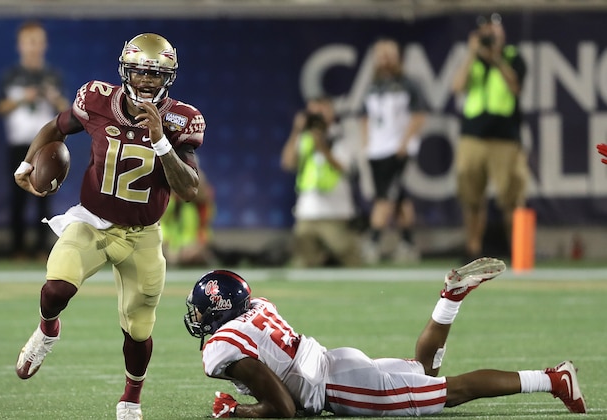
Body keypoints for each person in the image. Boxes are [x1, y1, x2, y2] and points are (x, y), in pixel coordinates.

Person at [13, 33, 205, 420]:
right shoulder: (97, 100)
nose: (147, 81)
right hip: (93, 222)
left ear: (169, 76)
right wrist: (27, 163)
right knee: (55, 288)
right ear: (125, 70)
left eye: (155, 73)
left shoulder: (181, 118)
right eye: (139, 72)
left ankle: (131, 399)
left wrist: (161, 143)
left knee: (138, 330)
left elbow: (188, 189)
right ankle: (48, 330)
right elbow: (56, 127)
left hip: (143, 236)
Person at [183, 258, 587, 418]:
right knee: (426, 370)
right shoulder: (257, 307)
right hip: (340, 363)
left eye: (202, 309)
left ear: (219, 310)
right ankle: (450, 299)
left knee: (451, 391)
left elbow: (284, 409)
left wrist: (238, 413)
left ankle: (553, 379)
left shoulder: (225, 346)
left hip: (341, 387)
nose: (197, 317)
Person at [451, 13, 529, 263]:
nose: (489, 38)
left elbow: (515, 87)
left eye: (493, 32)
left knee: (511, 196)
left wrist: (496, 59)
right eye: (485, 33)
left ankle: (518, 251)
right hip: (473, 136)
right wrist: (472, 54)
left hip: (505, 137)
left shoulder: (512, 57)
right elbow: (458, 87)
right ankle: (472, 249)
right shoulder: (472, 60)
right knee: (472, 197)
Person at [0, 21, 70, 260]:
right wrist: (23, 98)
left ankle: (41, 247)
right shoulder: (12, 75)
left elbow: (65, 109)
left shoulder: (52, 75)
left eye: (37, 41)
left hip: (45, 144)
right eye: (29, 41)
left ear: (44, 44)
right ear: (20, 45)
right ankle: (18, 247)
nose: (34, 46)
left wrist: (52, 96)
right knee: (17, 196)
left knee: (45, 193)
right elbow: (1, 107)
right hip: (19, 142)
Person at [361, 38, 428, 264]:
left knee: (385, 198)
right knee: (399, 199)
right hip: (377, 151)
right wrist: (367, 142)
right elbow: (365, 116)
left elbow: (419, 115)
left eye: (389, 54)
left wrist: (404, 143)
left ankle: (372, 242)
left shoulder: (407, 84)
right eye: (381, 55)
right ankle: (408, 244)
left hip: (396, 150)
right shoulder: (372, 86)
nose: (385, 60)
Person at [280, 96, 361, 267]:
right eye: (312, 111)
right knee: (303, 263)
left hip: (335, 213)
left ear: (331, 113)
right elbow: (287, 163)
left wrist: (322, 146)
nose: (316, 115)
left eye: (321, 111)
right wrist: (296, 131)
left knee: (351, 262)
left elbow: (344, 167)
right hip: (307, 213)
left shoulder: (342, 134)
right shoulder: (303, 138)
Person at [160, 171, 217, 267]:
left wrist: (198, 247)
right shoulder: (169, 201)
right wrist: (167, 249)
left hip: (192, 250)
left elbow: (204, 231)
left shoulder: (200, 207)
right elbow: (160, 226)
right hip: (169, 249)